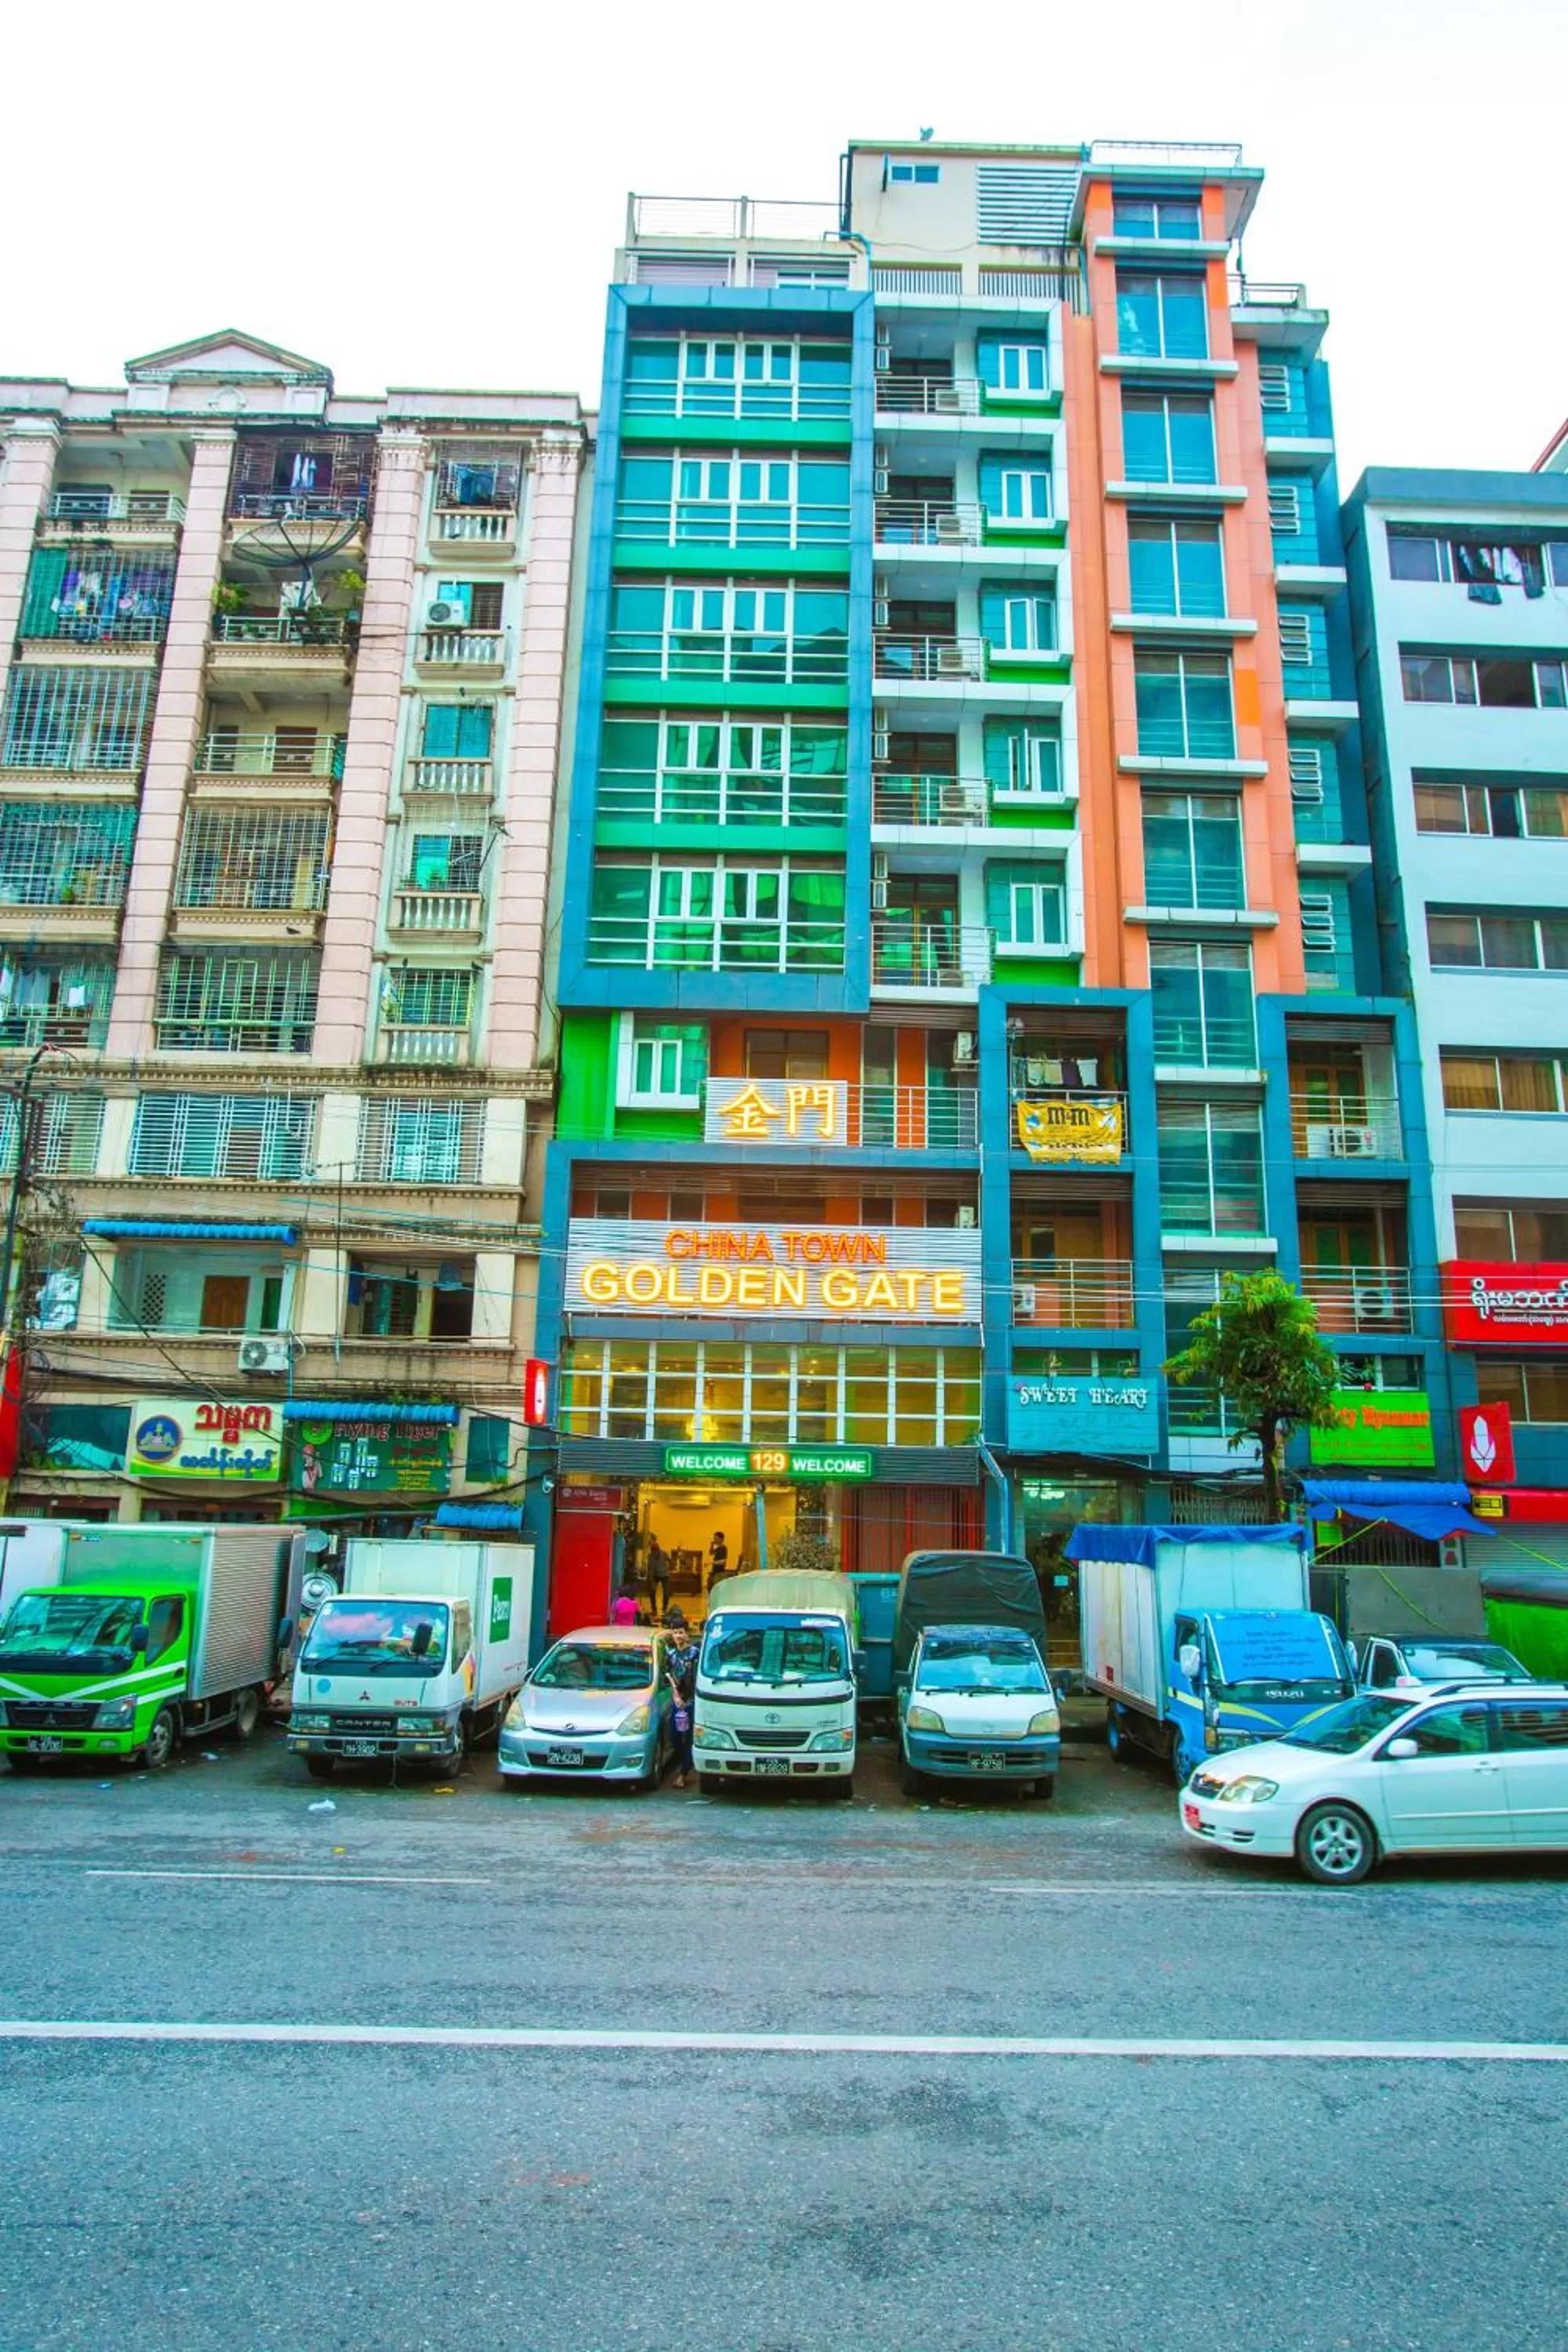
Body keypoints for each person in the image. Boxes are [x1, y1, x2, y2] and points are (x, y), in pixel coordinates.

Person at [664, 1609, 699, 1788]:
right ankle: (684, 1766)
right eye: (675, 1632)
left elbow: (696, 1679)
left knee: (689, 1739)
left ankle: (683, 1773)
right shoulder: (670, 1654)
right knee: (675, 1736)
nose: (678, 1636)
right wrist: (675, 1695)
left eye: (681, 1632)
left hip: (691, 1703)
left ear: (687, 1634)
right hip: (677, 1703)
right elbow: (668, 1674)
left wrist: (687, 1699)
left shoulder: (694, 1654)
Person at [647, 1534, 669, 1620]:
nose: (655, 1554)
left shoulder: (664, 1554)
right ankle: (654, 1609)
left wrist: (670, 1569)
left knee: (666, 1593)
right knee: (652, 1592)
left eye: (656, 1552)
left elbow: (671, 1561)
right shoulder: (650, 1557)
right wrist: (652, 1582)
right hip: (655, 1575)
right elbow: (650, 1570)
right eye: (653, 1553)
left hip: (665, 1575)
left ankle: (664, 1609)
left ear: (659, 1550)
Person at [706, 1528, 729, 1593]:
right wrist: (711, 1545)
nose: (715, 1540)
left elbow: (722, 1562)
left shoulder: (723, 1548)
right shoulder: (718, 1547)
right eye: (714, 1538)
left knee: (716, 1589)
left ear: (721, 1539)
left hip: (719, 1573)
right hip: (715, 1571)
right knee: (711, 1587)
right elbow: (711, 1553)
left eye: (716, 1538)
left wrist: (711, 1563)